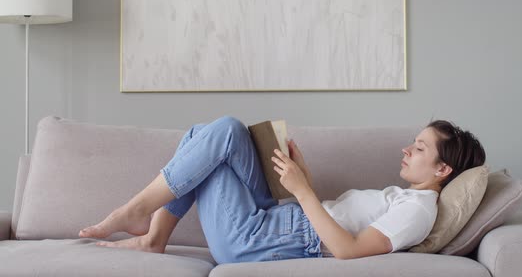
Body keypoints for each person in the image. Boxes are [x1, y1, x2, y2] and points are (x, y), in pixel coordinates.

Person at [78, 115, 486, 263]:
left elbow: (346, 250)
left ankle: (137, 215)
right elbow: (333, 223)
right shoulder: (407, 198)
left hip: (255, 240)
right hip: (276, 221)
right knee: (216, 133)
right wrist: (301, 182)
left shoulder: (419, 211)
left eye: (418, 148)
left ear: (443, 168)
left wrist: (303, 192)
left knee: (216, 135)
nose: (406, 150)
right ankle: (152, 236)